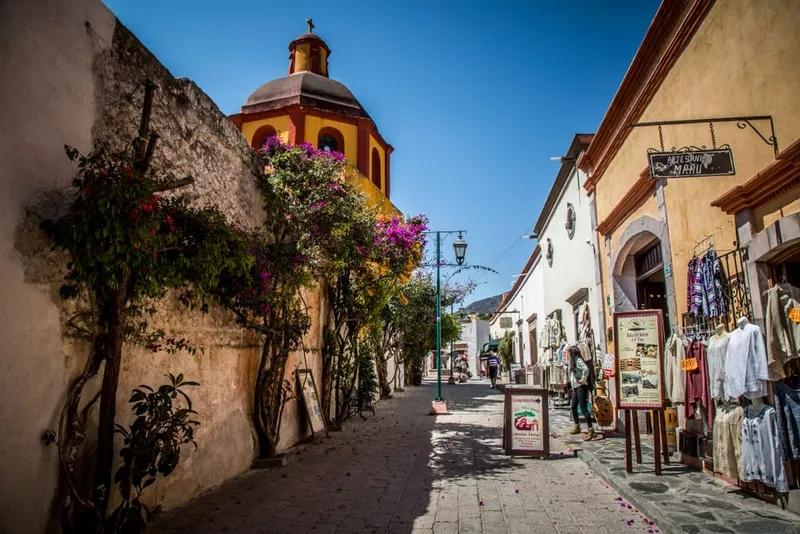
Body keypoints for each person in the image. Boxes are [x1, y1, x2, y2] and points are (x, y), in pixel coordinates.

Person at [568, 345, 596, 439]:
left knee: (583, 408)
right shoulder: (573, 361)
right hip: (575, 387)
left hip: (581, 386)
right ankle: (577, 426)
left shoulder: (578, 360)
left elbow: (586, 369)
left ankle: (591, 430)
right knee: (573, 407)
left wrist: (583, 379)